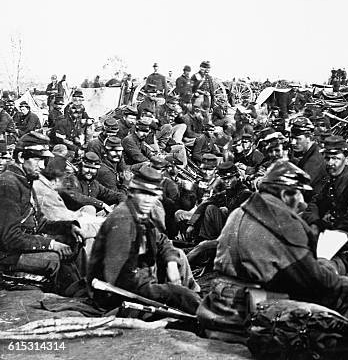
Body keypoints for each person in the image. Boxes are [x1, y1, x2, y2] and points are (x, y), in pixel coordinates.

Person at [202, 161, 348, 324]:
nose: (303, 203)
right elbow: (316, 281)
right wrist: (327, 261)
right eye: (300, 194)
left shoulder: (240, 212)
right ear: (285, 194)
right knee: (345, 286)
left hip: (219, 301)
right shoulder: (282, 222)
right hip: (250, 311)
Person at [88, 166, 201, 314]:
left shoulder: (139, 213)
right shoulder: (122, 219)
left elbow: (161, 240)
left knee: (178, 256)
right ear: (132, 193)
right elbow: (118, 276)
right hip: (115, 293)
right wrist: (162, 290)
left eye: (153, 195)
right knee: (179, 295)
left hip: (139, 280)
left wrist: (171, 262)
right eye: (144, 194)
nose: (149, 200)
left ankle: (198, 303)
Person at [0, 132, 85, 279]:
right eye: (37, 159)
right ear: (21, 157)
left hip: (16, 247)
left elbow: (39, 222)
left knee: (71, 241)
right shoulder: (8, 184)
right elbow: (10, 238)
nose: (42, 166)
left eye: (44, 160)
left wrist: (68, 227)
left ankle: (78, 288)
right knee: (52, 259)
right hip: (6, 255)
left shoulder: (25, 179)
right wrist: (50, 244)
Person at [301, 135, 348, 236]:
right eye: (327, 158)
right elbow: (315, 204)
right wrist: (316, 223)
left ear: (347, 160)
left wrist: (326, 230)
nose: (330, 163)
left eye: (335, 158)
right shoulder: (332, 181)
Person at [61, 152, 126, 215]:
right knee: (90, 208)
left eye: (93, 168)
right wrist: (101, 204)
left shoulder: (94, 184)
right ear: (80, 167)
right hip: (71, 218)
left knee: (116, 207)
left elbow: (117, 195)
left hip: (90, 219)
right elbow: (76, 197)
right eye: (86, 167)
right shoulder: (70, 179)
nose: (90, 171)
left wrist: (122, 204)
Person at [289, 117, 327, 196]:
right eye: (292, 138)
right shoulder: (309, 153)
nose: (293, 142)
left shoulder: (314, 160)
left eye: (297, 139)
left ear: (309, 138)